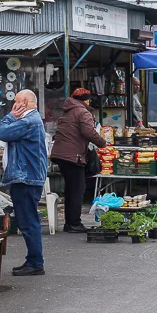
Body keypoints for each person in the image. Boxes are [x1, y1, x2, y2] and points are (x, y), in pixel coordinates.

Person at [0, 90, 48, 276]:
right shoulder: (32, 120)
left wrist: (10, 116)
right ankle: (33, 260)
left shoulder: (28, 121)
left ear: (24, 102)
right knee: (28, 219)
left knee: (28, 220)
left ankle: (35, 262)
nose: (13, 106)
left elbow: (1, 132)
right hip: (28, 176)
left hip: (26, 177)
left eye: (16, 102)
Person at [50, 88, 106, 233]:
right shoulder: (82, 112)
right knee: (77, 190)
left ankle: (70, 222)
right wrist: (102, 143)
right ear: (86, 100)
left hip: (62, 155)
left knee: (71, 189)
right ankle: (73, 223)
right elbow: (88, 132)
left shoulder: (67, 111)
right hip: (72, 156)